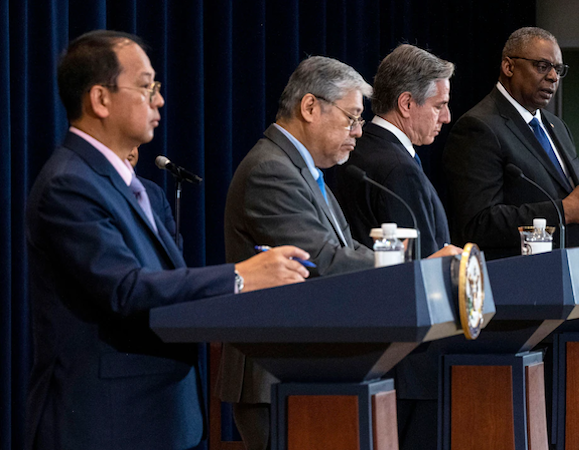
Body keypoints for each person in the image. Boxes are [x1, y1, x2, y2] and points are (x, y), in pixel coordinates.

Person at [24, 30, 310, 450]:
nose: (158, 100)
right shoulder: (70, 184)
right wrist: (239, 276)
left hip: (160, 417)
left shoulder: (137, 189)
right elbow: (125, 289)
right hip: (107, 424)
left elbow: (172, 285)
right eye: (145, 87)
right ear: (100, 100)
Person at [217, 55, 460, 450]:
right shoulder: (270, 170)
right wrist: (416, 271)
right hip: (276, 377)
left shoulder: (307, 171)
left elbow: (348, 249)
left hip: (310, 372)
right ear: (310, 107)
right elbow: (319, 260)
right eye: (351, 118)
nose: (358, 131)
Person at [442, 27, 579, 259]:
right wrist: (563, 211)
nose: (553, 77)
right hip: (520, 283)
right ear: (509, 67)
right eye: (542, 66)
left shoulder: (557, 127)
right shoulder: (478, 127)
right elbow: (479, 224)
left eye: (558, 69)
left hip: (576, 280)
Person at [334, 44, 454, 258]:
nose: (446, 117)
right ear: (406, 103)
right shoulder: (399, 169)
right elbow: (418, 261)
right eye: (439, 106)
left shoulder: (359, 146)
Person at [127, 146, 182, 250]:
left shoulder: (155, 192)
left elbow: (173, 238)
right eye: (127, 143)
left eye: (135, 145)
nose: (131, 151)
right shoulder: (103, 187)